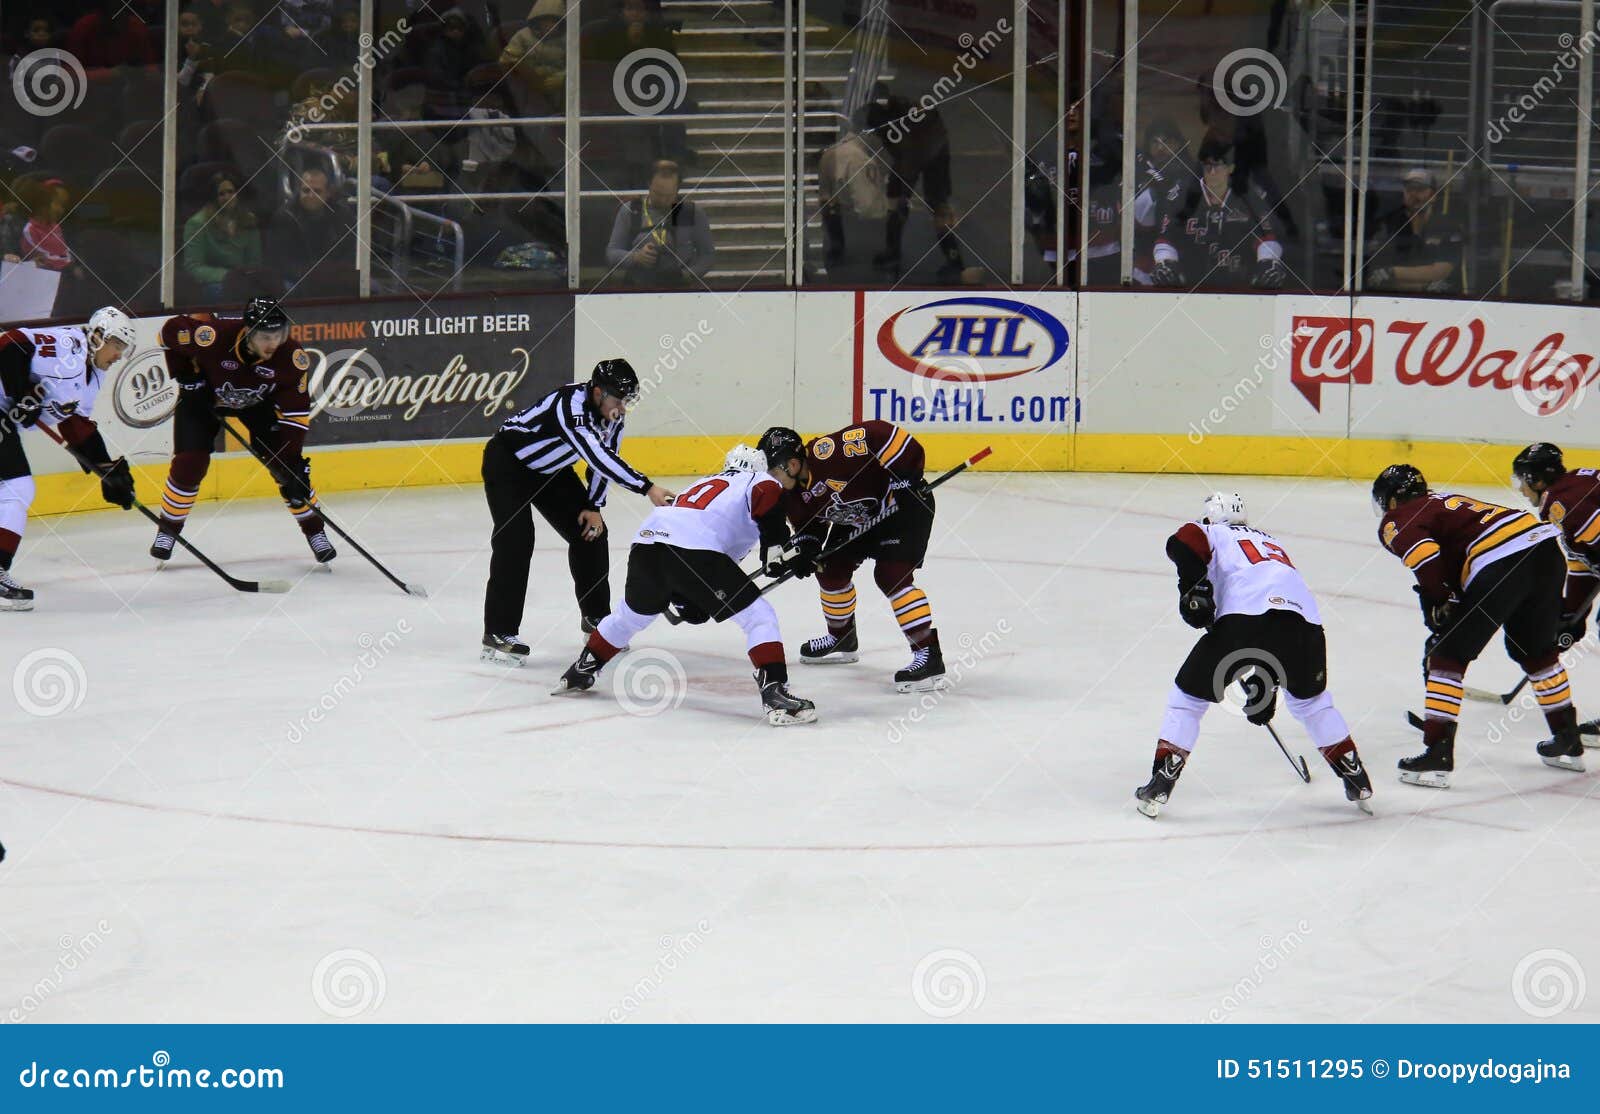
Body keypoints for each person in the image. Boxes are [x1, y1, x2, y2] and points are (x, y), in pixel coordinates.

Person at [553, 430, 818, 726]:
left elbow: (714, 566)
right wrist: (778, 550)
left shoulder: (704, 484)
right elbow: (765, 507)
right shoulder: (761, 480)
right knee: (759, 617)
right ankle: (775, 694)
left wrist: (690, 597)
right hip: (693, 550)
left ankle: (584, 666)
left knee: (631, 615)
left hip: (647, 546)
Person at [1133, 493, 1373, 818]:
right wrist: (1267, 683)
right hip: (1306, 627)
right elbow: (1276, 625)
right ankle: (1354, 775)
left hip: (1245, 621)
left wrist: (1194, 587)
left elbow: (1184, 540)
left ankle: (1163, 778)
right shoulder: (1271, 543)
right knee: (1312, 703)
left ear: (1210, 518)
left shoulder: (1213, 533)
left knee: (1188, 700)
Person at [1373, 464, 1587, 785]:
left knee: (1446, 656)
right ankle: (1567, 737)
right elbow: (1456, 568)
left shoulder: (1399, 517)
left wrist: (1434, 600)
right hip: (1546, 552)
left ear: (1391, 500)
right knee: (1535, 651)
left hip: (1503, 561)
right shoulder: (1444, 502)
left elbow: (1427, 558)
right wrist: (1447, 601)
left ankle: (1437, 752)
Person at [480, 358, 675, 664]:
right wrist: (648, 487)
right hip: (508, 465)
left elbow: (606, 460)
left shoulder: (613, 416)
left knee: (593, 534)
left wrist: (593, 505)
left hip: (552, 472)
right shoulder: (568, 406)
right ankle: (498, 631)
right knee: (515, 541)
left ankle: (597, 619)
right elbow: (597, 457)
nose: (622, 408)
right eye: (618, 400)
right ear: (598, 392)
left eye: (627, 401)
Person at [152, 298, 334, 565]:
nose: (274, 343)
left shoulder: (292, 359)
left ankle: (316, 532)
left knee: (288, 470)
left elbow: (295, 418)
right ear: (249, 333)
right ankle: (167, 531)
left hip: (257, 407)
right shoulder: (214, 336)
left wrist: (292, 463)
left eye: (279, 335)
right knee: (190, 464)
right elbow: (168, 332)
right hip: (204, 400)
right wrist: (187, 377)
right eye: (266, 337)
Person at [776, 420, 944, 691]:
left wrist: (906, 480)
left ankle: (928, 656)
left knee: (891, 576)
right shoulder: (792, 495)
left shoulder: (828, 453)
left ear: (792, 464)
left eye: (774, 471)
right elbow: (810, 526)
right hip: (858, 518)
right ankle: (842, 638)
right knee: (829, 571)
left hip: (903, 507)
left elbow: (886, 435)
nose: (771, 479)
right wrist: (807, 548)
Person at [0, 307, 139, 610]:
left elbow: (76, 425)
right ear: (99, 336)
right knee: (16, 488)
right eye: (117, 346)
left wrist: (106, 469)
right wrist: (21, 389)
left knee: (12, 490)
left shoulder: (95, 378)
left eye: (123, 350)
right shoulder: (69, 346)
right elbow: (11, 344)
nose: (118, 355)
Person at [1153, 138, 1286, 290]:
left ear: (1231, 168)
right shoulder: (1181, 195)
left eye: (1218, 165)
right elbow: (1166, 238)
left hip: (1241, 286)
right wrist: (1165, 262)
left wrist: (1268, 262)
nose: (1212, 172)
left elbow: (1266, 236)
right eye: (1208, 165)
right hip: (1190, 287)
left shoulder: (1248, 195)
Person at [1512, 443, 1600, 650]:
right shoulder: (1576, 482)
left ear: (1536, 480)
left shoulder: (1563, 503)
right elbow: (1583, 563)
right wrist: (1572, 614)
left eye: (1521, 479)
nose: (1520, 488)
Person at [605, 159, 715, 285]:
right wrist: (635, 257)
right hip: (638, 287)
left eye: (669, 196)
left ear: (678, 190)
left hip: (679, 288)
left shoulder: (687, 212)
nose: (663, 200)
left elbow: (707, 255)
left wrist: (686, 275)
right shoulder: (631, 211)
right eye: (658, 194)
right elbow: (611, 253)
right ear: (649, 184)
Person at [1365, 168, 1463, 294]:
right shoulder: (1388, 224)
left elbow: (1440, 272)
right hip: (1392, 300)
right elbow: (1377, 275)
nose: (1414, 194)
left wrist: (1393, 272)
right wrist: (1422, 284)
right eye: (1409, 189)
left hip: (1440, 302)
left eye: (1420, 189)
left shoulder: (1448, 225)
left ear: (1433, 195)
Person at [265, 168, 355, 298]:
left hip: (333, 276)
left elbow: (351, 252)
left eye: (317, 191)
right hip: (296, 279)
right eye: (306, 190)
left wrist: (333, 273)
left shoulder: (343, 215)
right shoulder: (284, 217)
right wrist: (312, 276)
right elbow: (279, 261)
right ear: (299, 191)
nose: (311, 196)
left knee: (371, 288)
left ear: (327, 193)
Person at [182, 172, 263, 300]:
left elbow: (255, 261)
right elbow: (194, 268)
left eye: (231, 192)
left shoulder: (249, 220)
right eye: (221, 194)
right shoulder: (197, 224)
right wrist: (229, 276)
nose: (227, 197)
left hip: (245, 280)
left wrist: (247, 277)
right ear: (213, 198)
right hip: (215, 284)